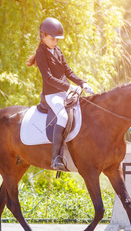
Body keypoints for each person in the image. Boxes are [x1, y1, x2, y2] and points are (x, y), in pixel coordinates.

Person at [26, 17, 94, 171]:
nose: (55, 42)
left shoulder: (57, 50)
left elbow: (68, 71)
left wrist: (82, 83)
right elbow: (48, 78)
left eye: (57, 39)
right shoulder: (41, 53)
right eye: (52, 39)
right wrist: (69, 87)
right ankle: (56, 157)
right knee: (62, 116)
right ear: (42, 36)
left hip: (64, 91)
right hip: (52, 94)